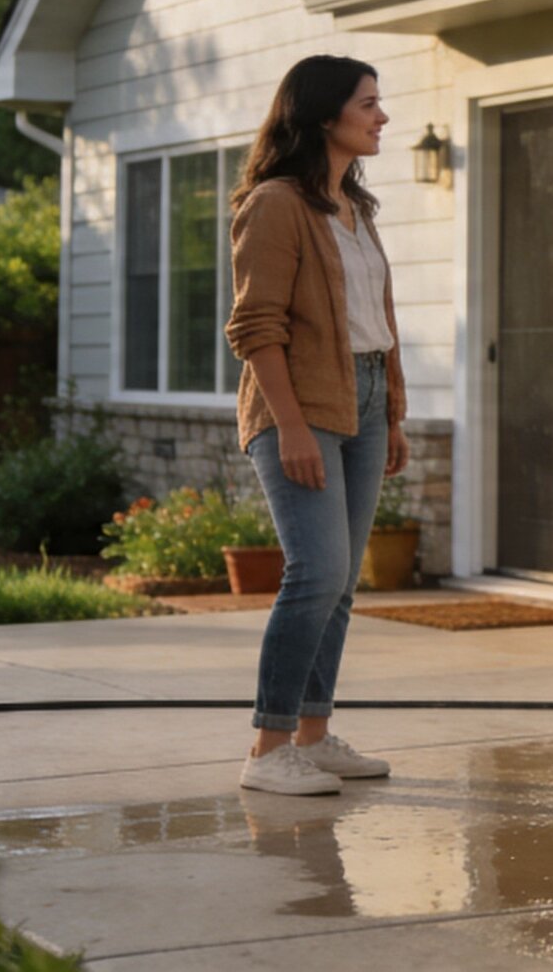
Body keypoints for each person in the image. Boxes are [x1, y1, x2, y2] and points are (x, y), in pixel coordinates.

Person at [224, 55, 409, 795]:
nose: (381, 115)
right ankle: (268, 751)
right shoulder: (276, 204)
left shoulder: (356, 210)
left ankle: (315, 734)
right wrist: (291, 426)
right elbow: (255, 326)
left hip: (364, 398)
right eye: (368, 103)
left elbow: (381, 324)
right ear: (325, 114)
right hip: (297, 404)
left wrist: (392, 414)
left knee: (340, 585)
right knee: (316, 572)